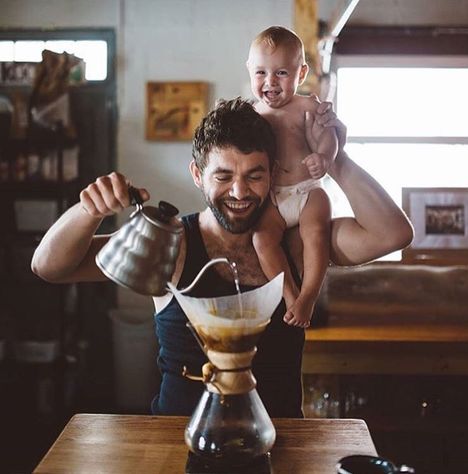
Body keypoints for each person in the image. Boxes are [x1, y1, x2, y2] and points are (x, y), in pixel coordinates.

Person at [31, 97, 413, 418]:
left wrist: (335, 158)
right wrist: (88, 210)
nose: (239, 191)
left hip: (278, 446)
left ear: (274, 174)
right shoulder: (172, 242)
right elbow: (49, 267)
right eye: (224, 176)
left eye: (255, 175)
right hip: (176, 445)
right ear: (198, 175)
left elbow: (392, 234)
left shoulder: (299, 243)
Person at [247, 26, 337, 328]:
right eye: (261, 73)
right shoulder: (251, 115)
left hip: (308, 191)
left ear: (300, 74)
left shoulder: (307, 107)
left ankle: (309, 295)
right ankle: (289, 294)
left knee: (316, 236)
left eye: (282, 73)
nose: (270, 82)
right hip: (274, 198)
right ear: (249, 71)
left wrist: (324, 157)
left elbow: (331, 136)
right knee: (262, 239)